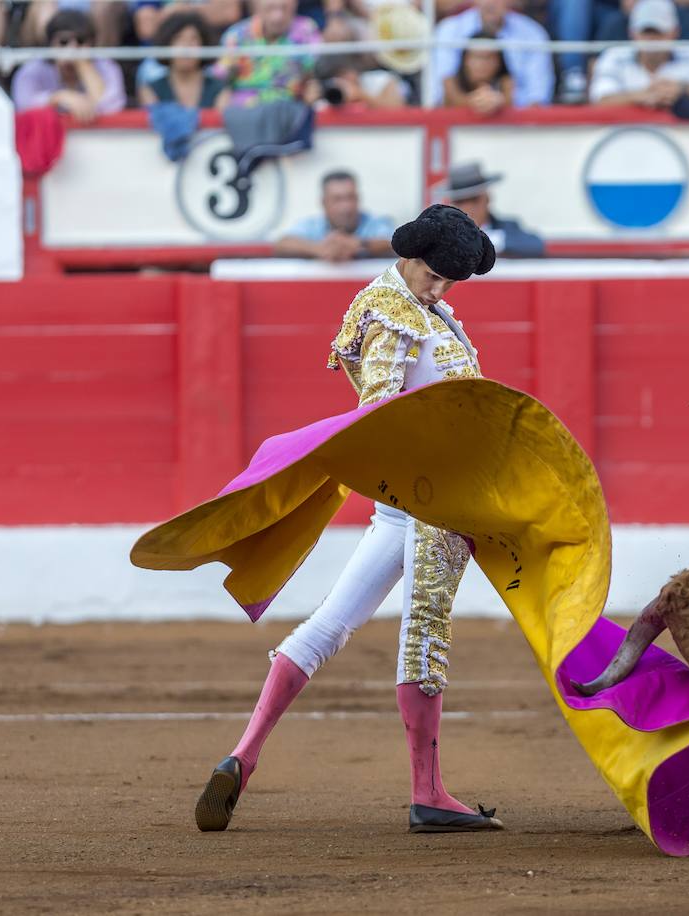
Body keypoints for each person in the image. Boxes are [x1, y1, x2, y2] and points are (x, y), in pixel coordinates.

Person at [196, 204, 502, 834]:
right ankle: (428, 793)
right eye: (437, 275)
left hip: (403, 503)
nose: (442, 288)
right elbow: (380, 415)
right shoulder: (394, 314)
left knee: (330, 622)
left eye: (452, 280)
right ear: (412, 259)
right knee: (424, 636)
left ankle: (243, 755)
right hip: (431, 498)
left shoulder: (416, 307)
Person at [555, 0, 689, 102]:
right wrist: (641, 96)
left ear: (674, 32)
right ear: (633, 33)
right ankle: (573, 74)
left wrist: (681, 89)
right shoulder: (615, 55)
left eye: (658, 32)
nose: (651, 40)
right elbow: (599, 98)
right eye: (646, 31)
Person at [428, 0, 554, 107]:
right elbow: (441, 89)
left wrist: (503, 103)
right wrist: (472, 103)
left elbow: (538, 97)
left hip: (517, 128)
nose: (490, 3)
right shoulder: (449, 29)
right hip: (458, 121)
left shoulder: (533, 33)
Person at [10, 9, 126, 122]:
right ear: (50, 44)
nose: (72, 49)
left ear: (92, 43)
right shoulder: (33, 69)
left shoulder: (107, 66)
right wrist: (58, 98)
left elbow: (113, 106)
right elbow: (23, 105)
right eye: (64, 42)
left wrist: (83, 65)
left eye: (80, 41)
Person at [212, 0, 323, 106]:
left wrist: (312, 85)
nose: (278, 17)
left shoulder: (306, 29)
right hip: (244, 108)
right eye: (271, 8)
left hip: (291, 106)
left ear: (294, 4)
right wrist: (227, 84)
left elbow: (317, 67)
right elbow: (221, 73)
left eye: (284, 8)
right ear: (257, 6)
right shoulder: (236, 34)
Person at [274, 171, 396, 261]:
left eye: (350, 198)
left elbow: (393, 244)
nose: (346, 207)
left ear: (358, 199)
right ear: (324, 202)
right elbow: (282, 244)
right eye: (337, 199)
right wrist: (320, 250)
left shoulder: (374, 222)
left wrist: (359, 245)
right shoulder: (313, 224)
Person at [439, 162, 545, 258]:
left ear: (487, 198)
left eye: (474, 200)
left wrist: (492, 241)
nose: (468, 208)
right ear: (452, 205)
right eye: (460, 201)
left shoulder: (508, 228)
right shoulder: (444, 233)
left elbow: (536, 245)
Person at [139, 11, 232, 108]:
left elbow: (219, 120)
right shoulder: (151, 90)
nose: (186, 46)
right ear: (167, 44)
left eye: (193, 39)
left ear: (204, 44)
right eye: (179, 39)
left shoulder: (220, 89)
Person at [441, 31, 515, 114]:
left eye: (488, 57)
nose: (482, 63)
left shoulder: (506, 81)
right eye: (476, 57)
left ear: (499, 62)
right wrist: (482, 100)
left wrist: (499, 100)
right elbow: (455, 100)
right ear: (465, 60)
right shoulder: (450, 81)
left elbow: (510, 101)